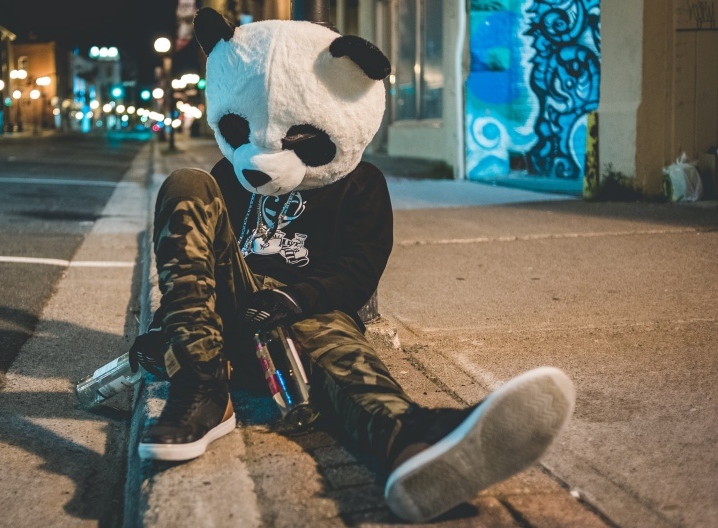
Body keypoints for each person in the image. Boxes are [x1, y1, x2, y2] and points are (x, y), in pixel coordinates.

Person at [131, 7, 575, 523]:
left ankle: (414, 450)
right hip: (224, 326)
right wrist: (172, 324)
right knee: (185, 184)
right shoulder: (226, 178)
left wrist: (295, 297)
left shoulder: (361, 185)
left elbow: (358, 270)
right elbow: (194, 259)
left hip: (305, 315)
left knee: (347, 365)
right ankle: (202, 393)